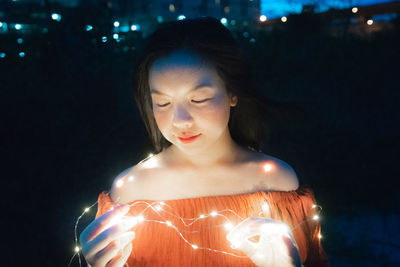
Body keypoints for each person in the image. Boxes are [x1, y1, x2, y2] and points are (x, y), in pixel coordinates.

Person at [79, 17, 329, 267]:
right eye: (163, 103)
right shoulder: (131, 193)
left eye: (198, 99)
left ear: (232, 94)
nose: (180, 121)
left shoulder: (276, 184)